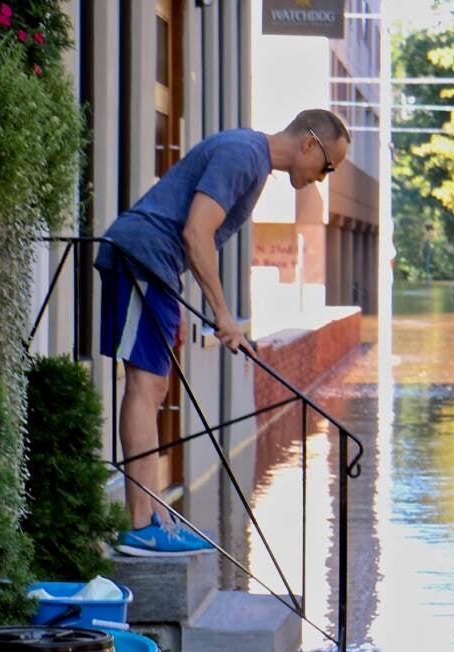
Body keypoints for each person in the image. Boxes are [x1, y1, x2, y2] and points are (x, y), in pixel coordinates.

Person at [99, 109, 350, 555]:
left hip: (156, 267)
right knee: (143, 387)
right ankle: (140, 526)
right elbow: (196, 233)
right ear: (310, 144)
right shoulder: (243, 156)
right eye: (328, 166)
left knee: (152, 390)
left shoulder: (253, 162)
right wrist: (224, 315)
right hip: (141, 259)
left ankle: (149, 514)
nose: (323, 178)